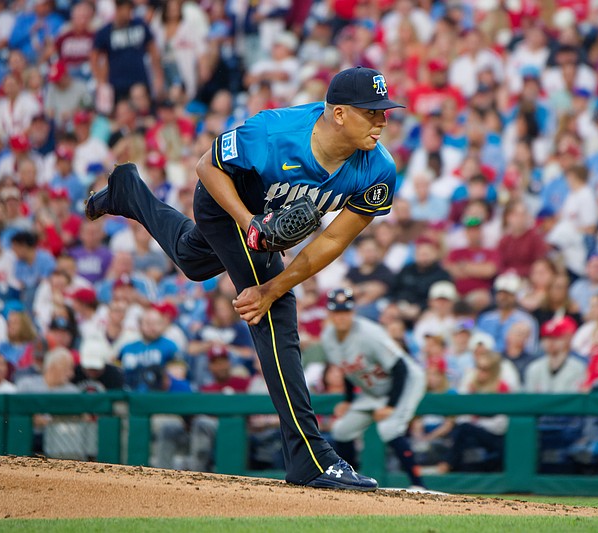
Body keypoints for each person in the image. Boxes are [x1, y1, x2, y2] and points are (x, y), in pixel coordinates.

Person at [85, 66, 405, 490]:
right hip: (228, 200)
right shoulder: (274, 133)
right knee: (277, 314)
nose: (382, 121)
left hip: (263, 220)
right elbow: (206, 166)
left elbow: (332, 242)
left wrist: (273, 286)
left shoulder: (379, 169)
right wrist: (250, 224)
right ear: (340, 114)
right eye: (372, 112)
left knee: (194, 261)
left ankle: (129, 192)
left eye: (385, 111)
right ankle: (309, 457)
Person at [320, 288, 426, 489]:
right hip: (375, 389)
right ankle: (349, 479)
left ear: (353, 312)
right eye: (337, 312)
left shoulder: (369, 333)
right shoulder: (328, 338)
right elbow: (348, 370)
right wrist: (348, 400)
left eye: (346, 311)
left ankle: (419, 485)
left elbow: (400, 367)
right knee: (342, 430)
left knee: (389, 429)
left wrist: (391, 406)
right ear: (330, 314)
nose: (342, 317)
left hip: (407, 381)